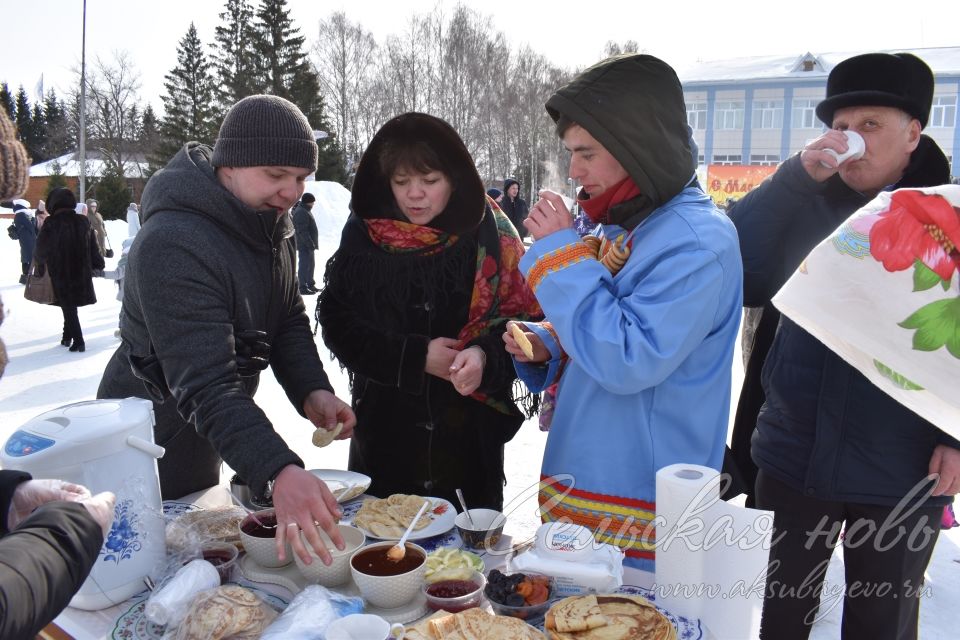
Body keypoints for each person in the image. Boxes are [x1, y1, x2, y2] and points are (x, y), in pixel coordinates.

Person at [729, 52, 959, 640]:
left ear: (914, 132)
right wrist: (791, 179)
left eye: (870, 125)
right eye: (841, 126)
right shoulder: (809, 202)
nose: (851, 139)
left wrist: (957, 436)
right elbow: (739, 269)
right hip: (793, 452)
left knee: (880, 623)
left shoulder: (948, 219)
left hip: (901, 468)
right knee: (781, 619)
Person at [503, 54, 742, 571]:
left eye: (586, 153)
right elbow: (607, 319)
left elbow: (628, 357)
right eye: (570, 153)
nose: (573, 170)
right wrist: (552, 338)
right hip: (595, 482)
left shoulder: (697, 243)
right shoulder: (628, 222)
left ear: (639, 148)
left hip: (641, 505)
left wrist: (563, 255)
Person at [96, 94, 356, 566]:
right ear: (228, 165)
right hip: (146, 435)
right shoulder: (175, 242)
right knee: (147, 561)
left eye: (300, 178)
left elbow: (287, 318)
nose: (291, 192)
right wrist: (278, 470)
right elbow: (206, 382)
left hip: (211, 428)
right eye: (275, 175)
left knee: (201, 549)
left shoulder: (271, 222)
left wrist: (311, 389)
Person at [316, 112, 542, 510]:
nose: (414, 195)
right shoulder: (367, 232)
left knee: (465, 567)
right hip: (386, 442)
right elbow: (337, 322)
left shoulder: (489, 231)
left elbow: (527, 324)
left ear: (454, 179)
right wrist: (414, 357)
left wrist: (484, 357)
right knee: (382, 558)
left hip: (468, 450)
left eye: (429, 181)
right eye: (401, 182)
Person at [0, 105, 116, 640]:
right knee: (74, 311)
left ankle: (73, 334)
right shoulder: (76, 222)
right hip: (78, 275)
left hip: (64, 278)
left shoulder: (54, 225)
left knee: (69, 311)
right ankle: (75, 335)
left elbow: (44, 247)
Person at [33, 188, 104, 353]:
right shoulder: (82, 221)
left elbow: (41, 248)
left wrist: (40, 264)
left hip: (61, 269)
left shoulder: (51, 222)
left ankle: (79, 341)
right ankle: (67, 336)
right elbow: (94, 246)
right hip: (81, 269)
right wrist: (98, 263)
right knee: (69, 304)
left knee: (68, 304)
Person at [291, 192, 319, 295]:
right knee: (304, 265)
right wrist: (309, 242)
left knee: (310, 265)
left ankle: (310, 284)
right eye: (312, 202)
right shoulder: (301, 212)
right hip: (304, 244)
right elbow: (302, 230)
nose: (313, 204)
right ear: (308, 202)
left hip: (308, 244)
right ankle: (302, 287)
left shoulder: (306, 210)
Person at [12, 201, 36, 285]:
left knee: (27, 257)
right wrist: (33, 219)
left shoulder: (23, 215)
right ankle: (26, 277)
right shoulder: (21, 215)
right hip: (27, 240)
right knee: (27, 257)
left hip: (27, 239)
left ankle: (26, 276)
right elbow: (31, 226)